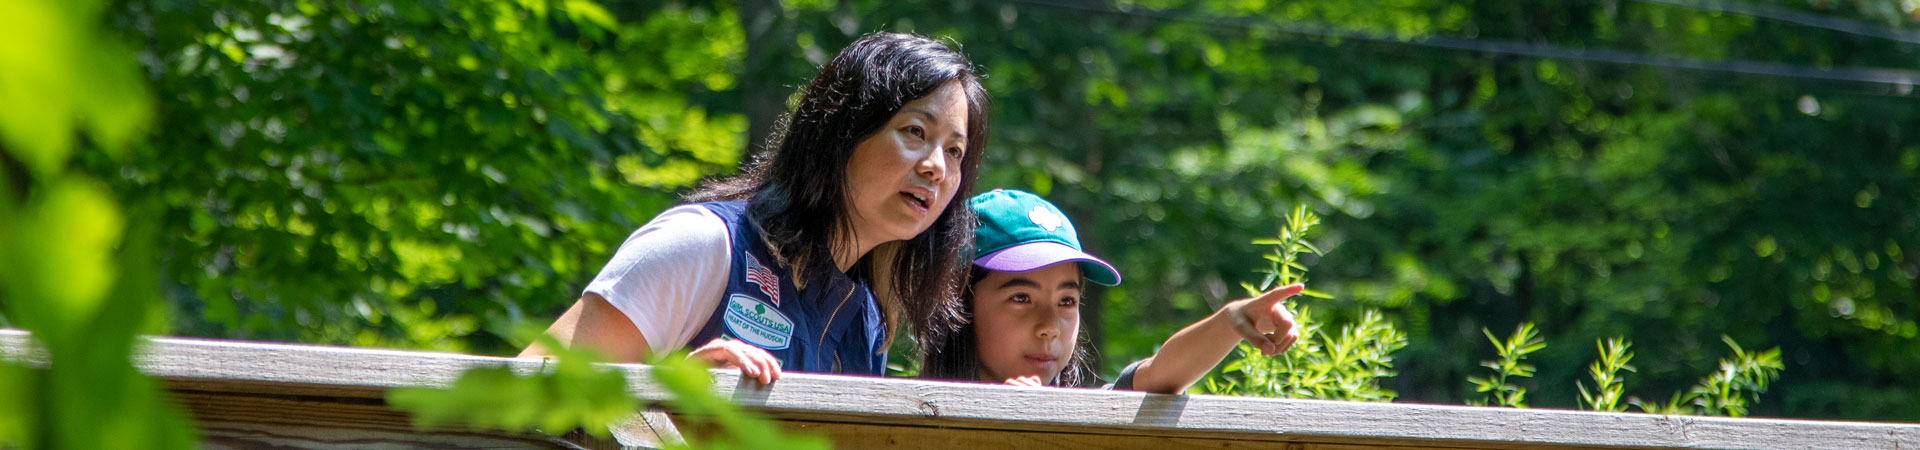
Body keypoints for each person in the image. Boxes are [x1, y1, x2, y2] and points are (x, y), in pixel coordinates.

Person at [521, 33, 989, 385]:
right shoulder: (703, 244)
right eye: (914, 131)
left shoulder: (867, 321)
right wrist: (665, 393)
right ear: (841, 132)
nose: (936, 168)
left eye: (954, 151)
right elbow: (518, 396)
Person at [920, 189, 1302, 393]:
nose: (1049, 326)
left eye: (1067, 301)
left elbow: (1160, 374)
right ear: (957, 303)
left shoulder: (1093, 419)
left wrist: (1230, 321)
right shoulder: (900, 420)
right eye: (1021, 297)